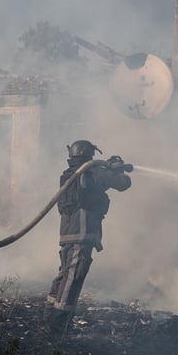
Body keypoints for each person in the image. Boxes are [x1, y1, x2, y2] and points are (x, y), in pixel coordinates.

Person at [44, 140, 132, 335]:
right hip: (82, 233)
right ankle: (58, 324)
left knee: (65, 273)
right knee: (73, 276)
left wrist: (109, 167)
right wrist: (116, 170)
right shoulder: (93, 171)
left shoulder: (70, 174)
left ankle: (50, 315)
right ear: (89, 155)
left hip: (67, 234)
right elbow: (123, 184)